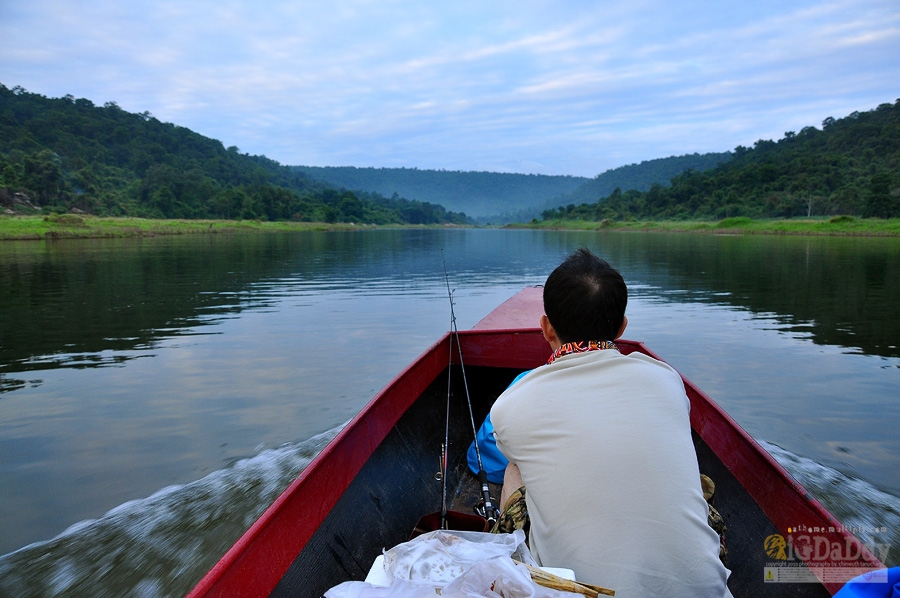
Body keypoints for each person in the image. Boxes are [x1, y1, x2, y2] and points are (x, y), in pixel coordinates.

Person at [489, 248, 732, 597]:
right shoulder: (666, 379)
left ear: (545, 328)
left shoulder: (512, 406)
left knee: (516, 464)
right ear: (621, 327)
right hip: (708, 592)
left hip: (580, 592)